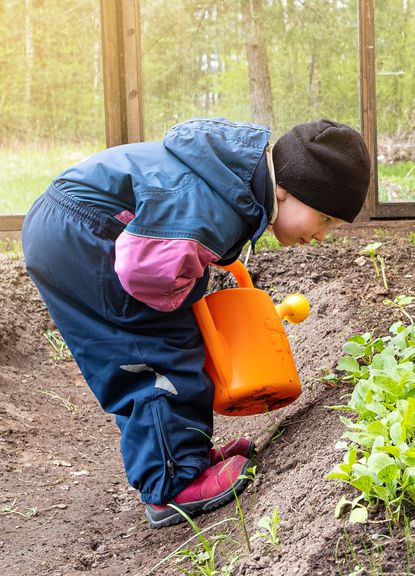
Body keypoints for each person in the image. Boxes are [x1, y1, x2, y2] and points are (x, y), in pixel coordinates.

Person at [22, 118, 371, 528]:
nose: (323, 234)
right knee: (151, 354)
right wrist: (188, 301)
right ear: (286, 190)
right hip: (83, 235)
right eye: (325, 219)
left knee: (171, 342)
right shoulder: (215, 204)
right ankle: (172, 483)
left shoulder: (230, 182)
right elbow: (144, 272)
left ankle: (188, 455)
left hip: (76, 227)